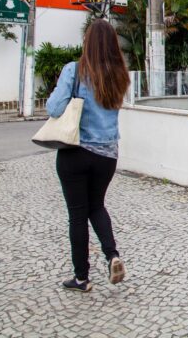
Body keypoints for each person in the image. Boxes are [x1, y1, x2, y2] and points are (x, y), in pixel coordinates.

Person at [46, 19, 130, 292]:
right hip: (108, 154)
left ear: (87, 42)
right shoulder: (120, 75)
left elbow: (54, 108)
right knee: (97, 206)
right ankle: (112, 255)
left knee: (77, 215)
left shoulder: (75, 70)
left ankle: (81, 278)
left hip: (76, 151)